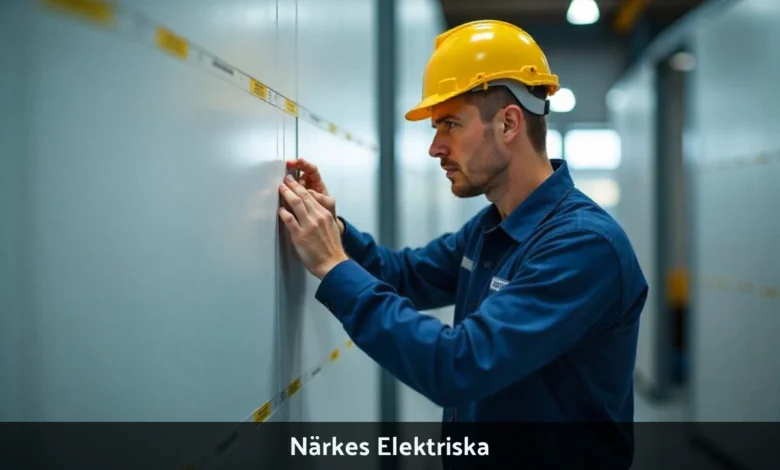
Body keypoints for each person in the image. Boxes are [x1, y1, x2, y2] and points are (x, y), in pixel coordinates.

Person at [277, 19, 648, 467]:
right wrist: (331, 227)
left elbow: (459, 366)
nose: (435, 147)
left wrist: (335, 269)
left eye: (450, 124)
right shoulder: (492, 228)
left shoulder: (583, 247)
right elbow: (405, 275)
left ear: (509, 124)